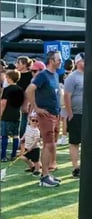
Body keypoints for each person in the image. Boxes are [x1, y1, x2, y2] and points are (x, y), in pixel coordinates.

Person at [25, 50, 63, 187]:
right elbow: (29, 90)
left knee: (51, 144)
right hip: (46, 115)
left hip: (54, 114)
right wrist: (36, 108)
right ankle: (45, 176)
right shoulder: (43, 75)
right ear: (51, 60)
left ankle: (46, 174)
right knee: (48, 144)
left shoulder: (55, 75)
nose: (61, 61)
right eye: (58, 59)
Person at [63, 53, 85, 177]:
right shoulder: (72, 77)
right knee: (75, 142)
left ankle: (84, 165)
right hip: (76, 114)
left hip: (86, 114)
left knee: (86, 141)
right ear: (77, 62)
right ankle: (76, 167)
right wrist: (70, 113)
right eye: (83, 61)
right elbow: (67, 96)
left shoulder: (88, 75)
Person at [1, 69, 24, 163]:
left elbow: (3, 103)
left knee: (4, 136)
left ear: (9, 78)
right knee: (15, 135)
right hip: (17, 114)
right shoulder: (20, 89)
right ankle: (14, 155)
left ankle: (3, 156)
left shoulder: (7, 89)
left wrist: (0, 114)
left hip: (7, 115)